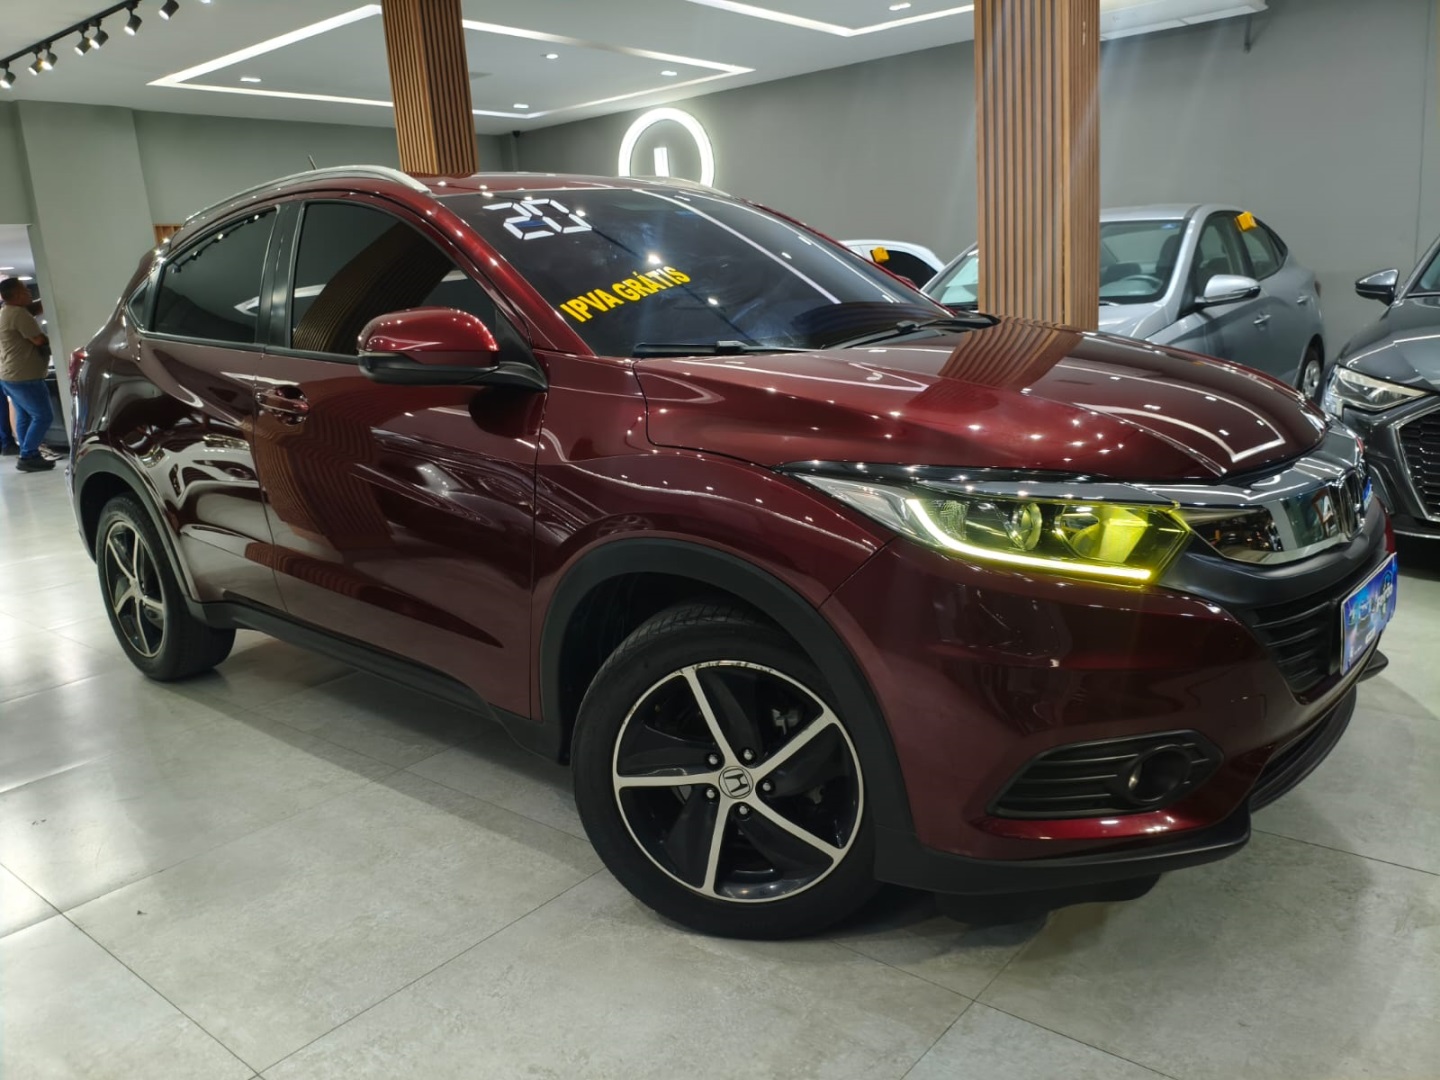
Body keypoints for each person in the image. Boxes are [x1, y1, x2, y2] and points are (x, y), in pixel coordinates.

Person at [0, 277, 55, 472]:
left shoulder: (6, 311)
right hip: (25, 377)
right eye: (25, 290)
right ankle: (27, 454)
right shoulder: (18, 314)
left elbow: (35, 308)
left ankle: (29, 454)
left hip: (10, 376)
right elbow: (39, 340)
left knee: (24, 416)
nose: (29, 292)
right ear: (16, 295)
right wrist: (55, 339)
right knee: (43, 416)